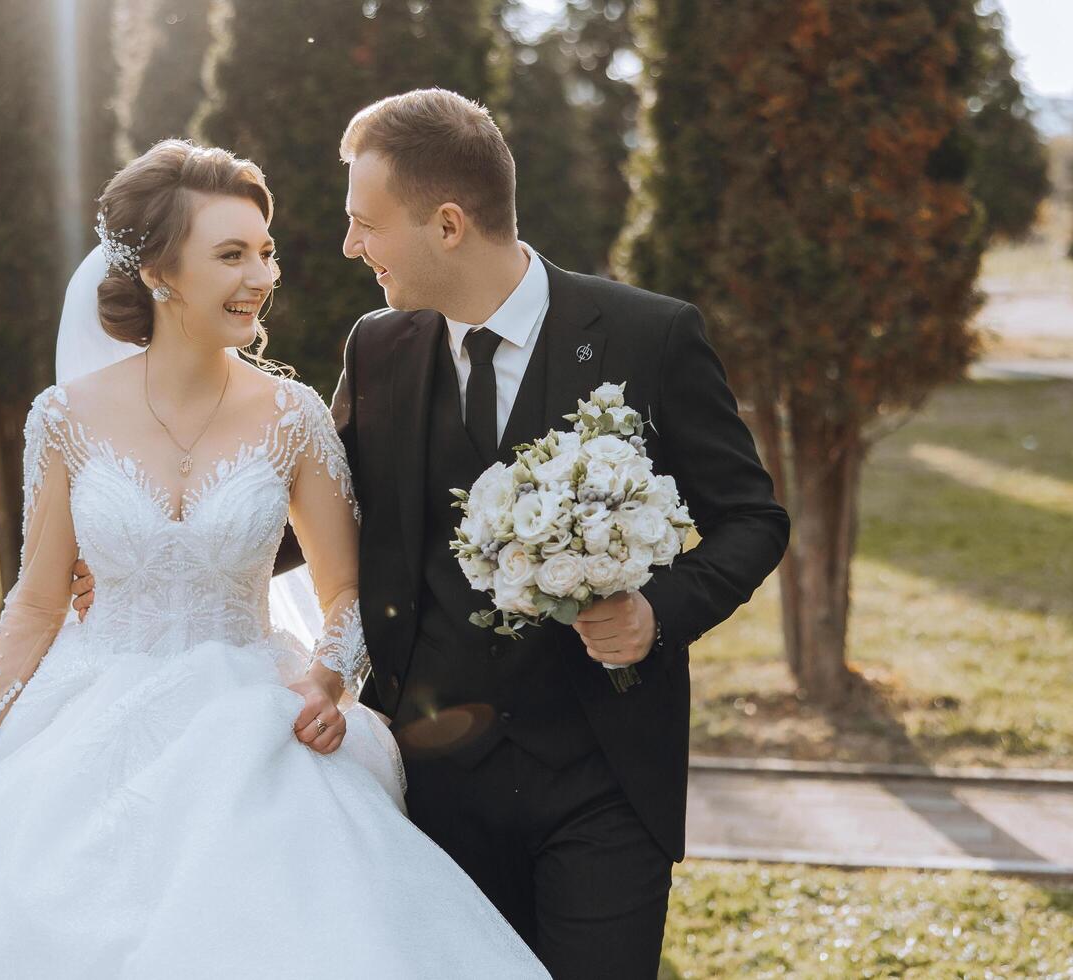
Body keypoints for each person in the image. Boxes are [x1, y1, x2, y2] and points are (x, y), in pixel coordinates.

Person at [71, 88, 791, 980]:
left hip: (603, 780)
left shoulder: (649, 337)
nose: (348, 247)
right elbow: (313, 508)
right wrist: (165, 558)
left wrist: (658, 611)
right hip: (433, 779)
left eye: (364, 223)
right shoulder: (378, 348)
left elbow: (752, 519)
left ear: (447, 225)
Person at [0, 139, 549, 979]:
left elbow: (350, 589)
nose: (262, 276)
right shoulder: (62, 418)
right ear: (159, 274)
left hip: (253, 726)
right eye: (230, 255)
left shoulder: (293, 416)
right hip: (89, 722)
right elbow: (35, 606)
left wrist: (327, 677)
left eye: (265, 251)